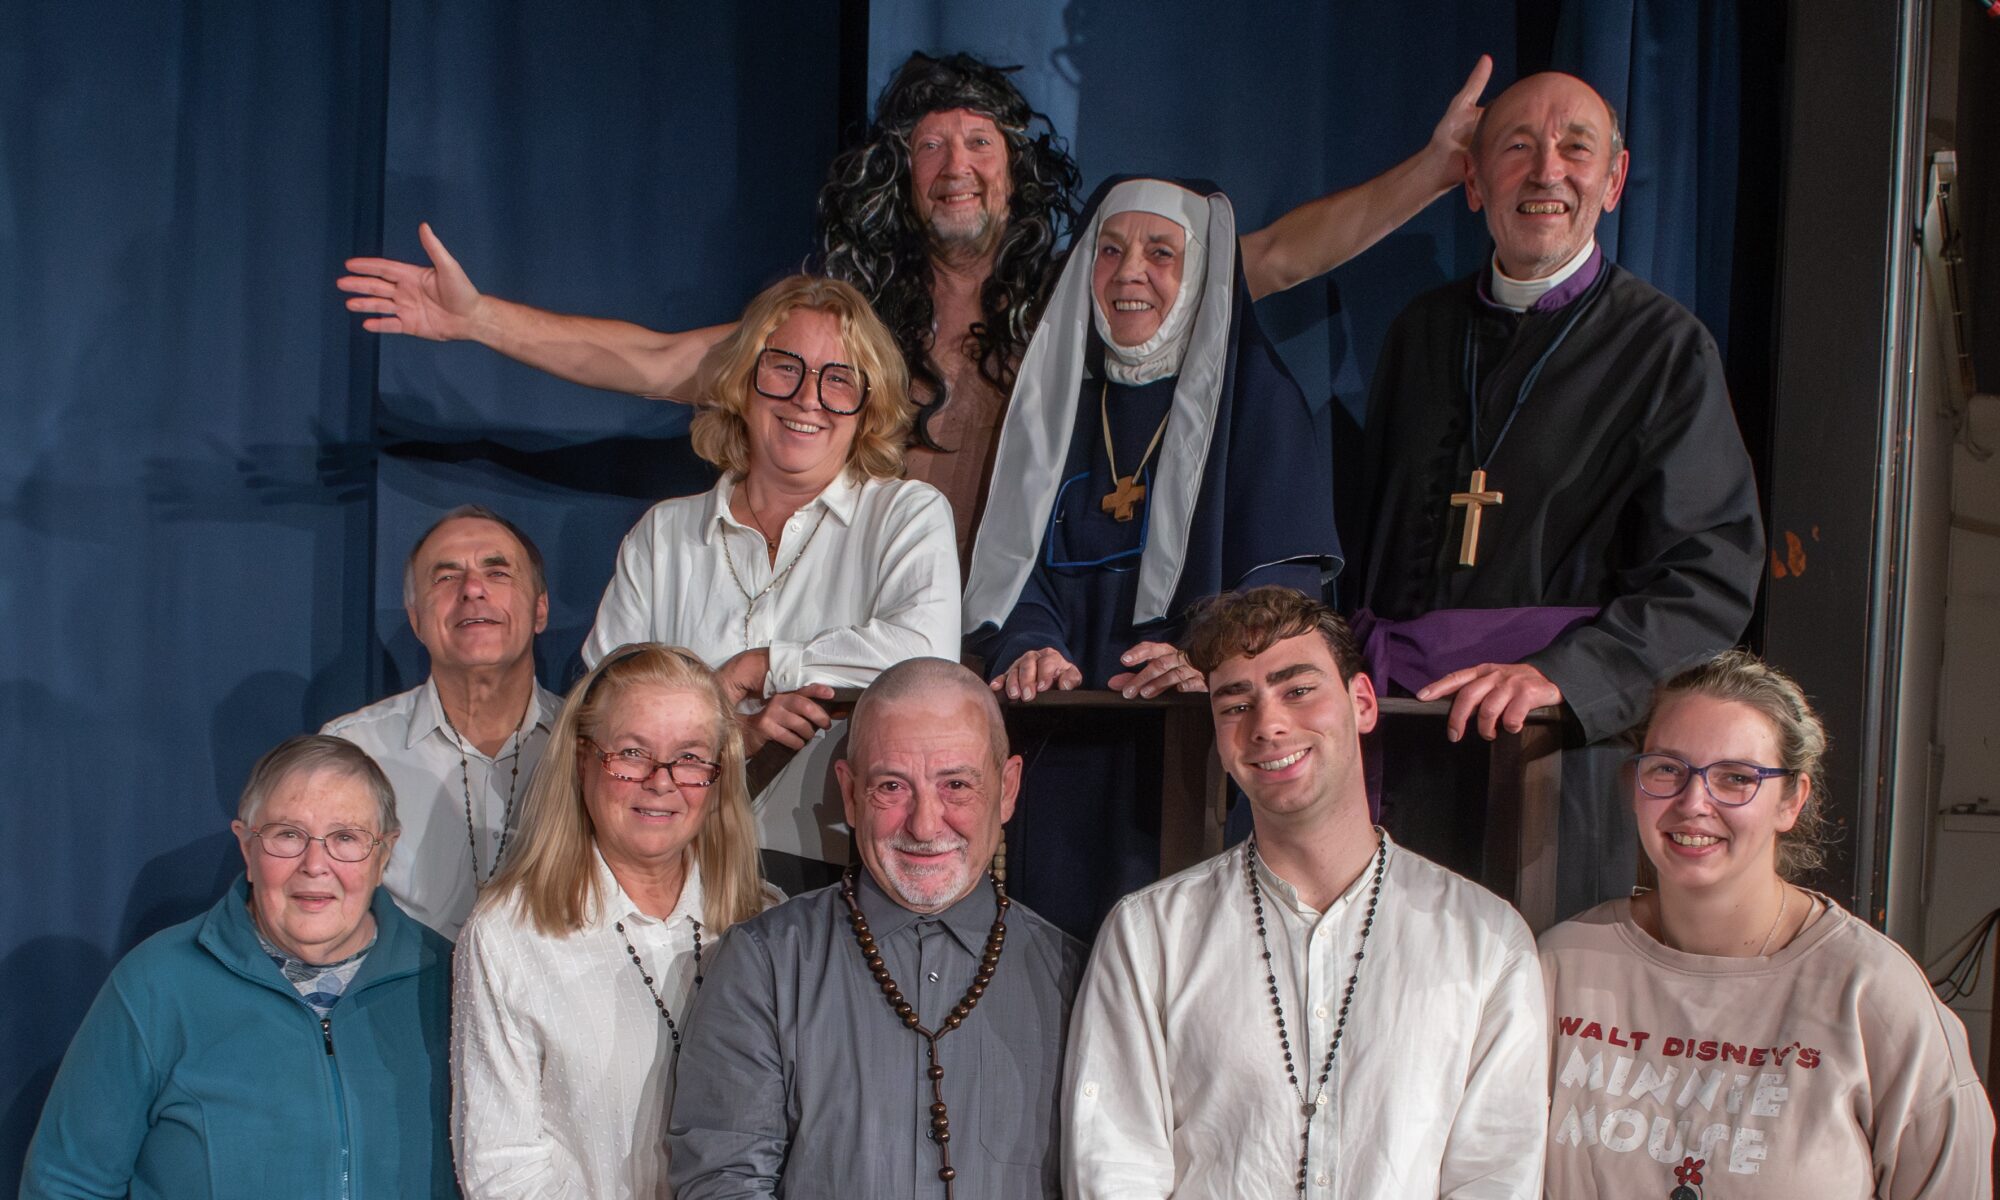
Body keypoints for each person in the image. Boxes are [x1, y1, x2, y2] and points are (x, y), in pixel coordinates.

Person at [338, 52, 1493, 562]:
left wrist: (1429, 175)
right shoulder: (848, 322)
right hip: (869, 639)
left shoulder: (1081, 297)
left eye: (976, 141)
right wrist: (480, 320)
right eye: (930, 145)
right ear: (898, 175)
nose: (954, 164)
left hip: (1032, 639)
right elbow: (665, 361)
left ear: (1013, 168)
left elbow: (1268, 259)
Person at [1349, 71, 1765, 917]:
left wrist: (1560, 677)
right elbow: (1359, 545)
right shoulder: (1419, 334)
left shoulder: (1665, 349)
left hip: (1553, 758)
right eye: (1517, 147)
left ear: (1613, 181)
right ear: (1473, 181)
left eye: (1576, 148)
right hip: (1399, 732)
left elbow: (1708, 576)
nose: (1547, 171)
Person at [1063, 587, 1547, 1199]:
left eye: (1297, 690)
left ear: (1362, 702)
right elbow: (1114, 1170)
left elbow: (1496, 1176)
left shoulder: (1486, 939)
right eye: (1236, 705)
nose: (1268, 725)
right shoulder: (1149, 934)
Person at [966, 176, 1338, 935]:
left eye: (1161, 253)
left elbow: (1285, 594)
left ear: (1201, 272)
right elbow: (1016, 564)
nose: (1129, 272)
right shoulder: (1058, 406)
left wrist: (1214, 658)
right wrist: (1030, 643)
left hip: (1198, 754)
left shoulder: (1260, 402)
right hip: (1065, 748)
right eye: (1109, 250)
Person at [1539, 650, 1995, 1197]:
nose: (1694, 802)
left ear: (1791, 801)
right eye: (1667, 769)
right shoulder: (1562, 966)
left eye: (1736, 777)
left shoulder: (1872, 993)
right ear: (1635, 784)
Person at [581, 274, 960, 891]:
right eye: (785, 367)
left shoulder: (905, 514)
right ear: (742, 382)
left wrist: (762, 666)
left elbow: (927, 658)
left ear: (868, 406)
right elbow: (602, 704)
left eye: (839, 379)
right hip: (661, 865)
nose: (809, 398)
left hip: (833, 874)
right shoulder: (664, 533)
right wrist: (724, 733)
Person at [668, 657, 1085, 1198]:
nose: (925, 824)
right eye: (892, 786)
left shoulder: (1077, 978)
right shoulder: (763, 964)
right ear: (850, 793)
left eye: (956, 784)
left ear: (1007, 789)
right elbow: (722, 1181)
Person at [20, 735, 453, 1199]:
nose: (315, 865)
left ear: (384, 854)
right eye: (288, 835)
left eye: (346, 838)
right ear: (247, 848)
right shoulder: (156, 984)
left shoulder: (450, 980)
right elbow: (63, 1185)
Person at [452, 643, 774, 1199]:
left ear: (719, 775)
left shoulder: (767, 920)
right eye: (632, 753)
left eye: (690, 757)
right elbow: (503, 1172)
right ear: (582, 759)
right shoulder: (508, 935)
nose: (661, 781)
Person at [321, 504, 559, 940]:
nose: (473, 589)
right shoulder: (353, 750)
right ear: (416, 619)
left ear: (540, 609)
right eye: (446, 577)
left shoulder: (591, 743)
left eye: (498, 573)